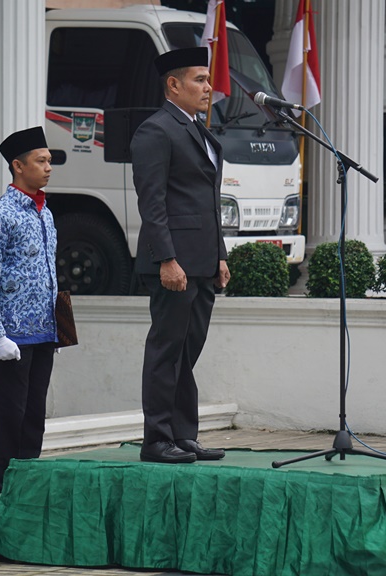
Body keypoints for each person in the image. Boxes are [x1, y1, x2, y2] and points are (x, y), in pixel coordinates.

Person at [131, 47, 231, 464]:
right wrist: (166, 259)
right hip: (175, 264)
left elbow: (208, 200)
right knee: (166, 351)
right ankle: (156, 440)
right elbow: (151, 203)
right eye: (200, 80)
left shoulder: (197, 130)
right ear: (173, 85)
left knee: (187, 353)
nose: (209, 88)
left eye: (208, 80)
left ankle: (183, 435)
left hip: (203, 262)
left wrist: (220, 255)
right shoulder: (157, 130)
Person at [0, 126, 59, 494]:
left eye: (49, 161)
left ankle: (27, 490)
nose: (48, 168)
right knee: (9, 416)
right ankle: (2, 493)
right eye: (41, 161)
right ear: (18, 166)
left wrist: (56, 326)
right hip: (10, 334)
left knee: (34, 417)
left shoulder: (47, 213)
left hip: (43, 331)